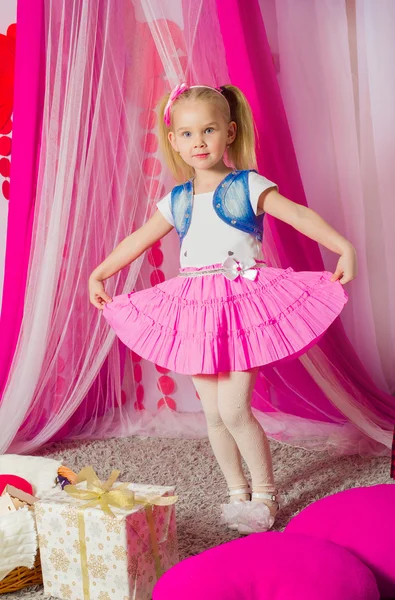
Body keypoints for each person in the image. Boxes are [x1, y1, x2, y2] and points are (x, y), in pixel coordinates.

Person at [88, 82, 357, 534]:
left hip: (241, 304)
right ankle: (236, 491)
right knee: (213, 414)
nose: (199, 142)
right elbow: (137, 240)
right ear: (173, 140)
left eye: (209, 130)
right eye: (188, 133)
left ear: (229, 132)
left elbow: (298, 215)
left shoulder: (247, 184)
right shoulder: (176, 200)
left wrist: (342, 246)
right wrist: (99, 272)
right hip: (196, 310)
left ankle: (265, 493)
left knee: (234, 410)